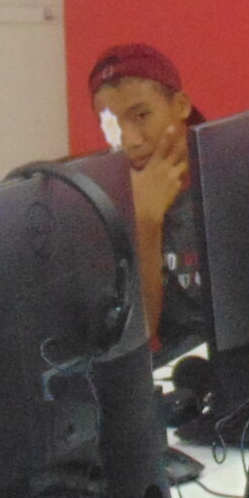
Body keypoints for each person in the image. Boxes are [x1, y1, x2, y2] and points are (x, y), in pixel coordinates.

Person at [87, 43, 207, 358]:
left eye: (141, 115)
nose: (130, 141)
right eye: (111, 124)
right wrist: (144, 222)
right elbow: (139, 334)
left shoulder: (226, 174)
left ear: (180, 106)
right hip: (177, 368)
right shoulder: (102, 205)